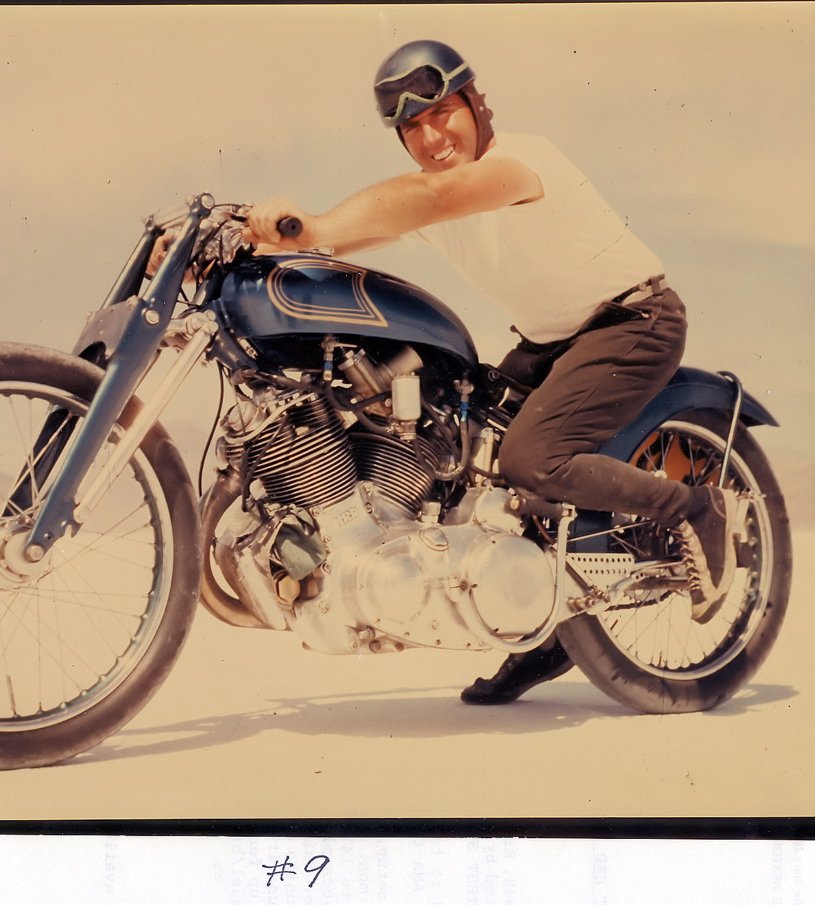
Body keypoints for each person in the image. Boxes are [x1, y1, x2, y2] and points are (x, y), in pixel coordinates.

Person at [242, 39, 745, 705]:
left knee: (532, 456)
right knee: (465, 455)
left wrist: (315, 223)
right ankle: (540, 634)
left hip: (633, 321)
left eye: (442, 113)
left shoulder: (517, 164)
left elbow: (433, 195)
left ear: (478, 104)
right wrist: (252, 239)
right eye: (411, 128)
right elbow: (337, 240)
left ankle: (691, 508)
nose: (430, 136)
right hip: (551, 340)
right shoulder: (441, 205)